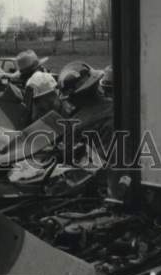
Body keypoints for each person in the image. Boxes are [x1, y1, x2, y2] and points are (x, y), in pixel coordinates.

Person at [55, 61, 130, 201]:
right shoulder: (114, 107)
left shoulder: (79, 121)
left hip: (95, 188)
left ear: (76, 96)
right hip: (111, 178)